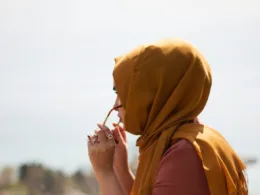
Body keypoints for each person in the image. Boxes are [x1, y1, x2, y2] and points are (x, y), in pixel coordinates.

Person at [87, 39, 248, 195]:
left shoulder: (184, 156)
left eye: (120, 92)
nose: (115, 105)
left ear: (153, 94)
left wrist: (105, 173)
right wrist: (121, 169)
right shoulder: (187, 140)